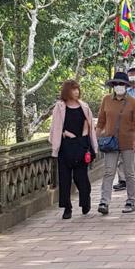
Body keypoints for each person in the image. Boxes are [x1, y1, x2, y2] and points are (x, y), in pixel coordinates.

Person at [48, 79, 98, 219]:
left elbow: (89, 126)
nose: (76, 92)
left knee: (81, 177)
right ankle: (67, 207)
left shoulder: (84, 106)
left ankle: (85, 201)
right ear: (67, 91)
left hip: (81, 145)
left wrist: (88, 142)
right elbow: (56, 127)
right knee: (64, 179)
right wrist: (63, 135)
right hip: (65, 147)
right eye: (73, 89)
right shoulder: (60, 107)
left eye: (77, 89)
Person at [96, 71, 135, 215]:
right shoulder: (106, 100)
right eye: (116, 84)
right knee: (109, 171)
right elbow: (101, 121)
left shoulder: (133, 102)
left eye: (121, 84)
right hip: (110, 141)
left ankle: (131, 200)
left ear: (126, 86)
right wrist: (95, 138)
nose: (118, 86)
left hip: (128, 141)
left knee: (129, 173)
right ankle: (104, 201)